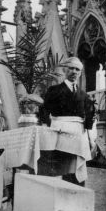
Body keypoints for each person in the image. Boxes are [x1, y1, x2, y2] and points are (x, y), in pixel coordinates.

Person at [41, 56, 95, 185]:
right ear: (65, 70)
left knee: (76, 169)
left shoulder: (83, 95)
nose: (74, 72)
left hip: (78, 135)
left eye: (77, 69)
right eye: (71, 68)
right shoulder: (54, 90)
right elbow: (44, 111)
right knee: (62, 167)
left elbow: (88, 117)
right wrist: (51, 127)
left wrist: (89, 132)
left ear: (80, 73)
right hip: (60, 134)